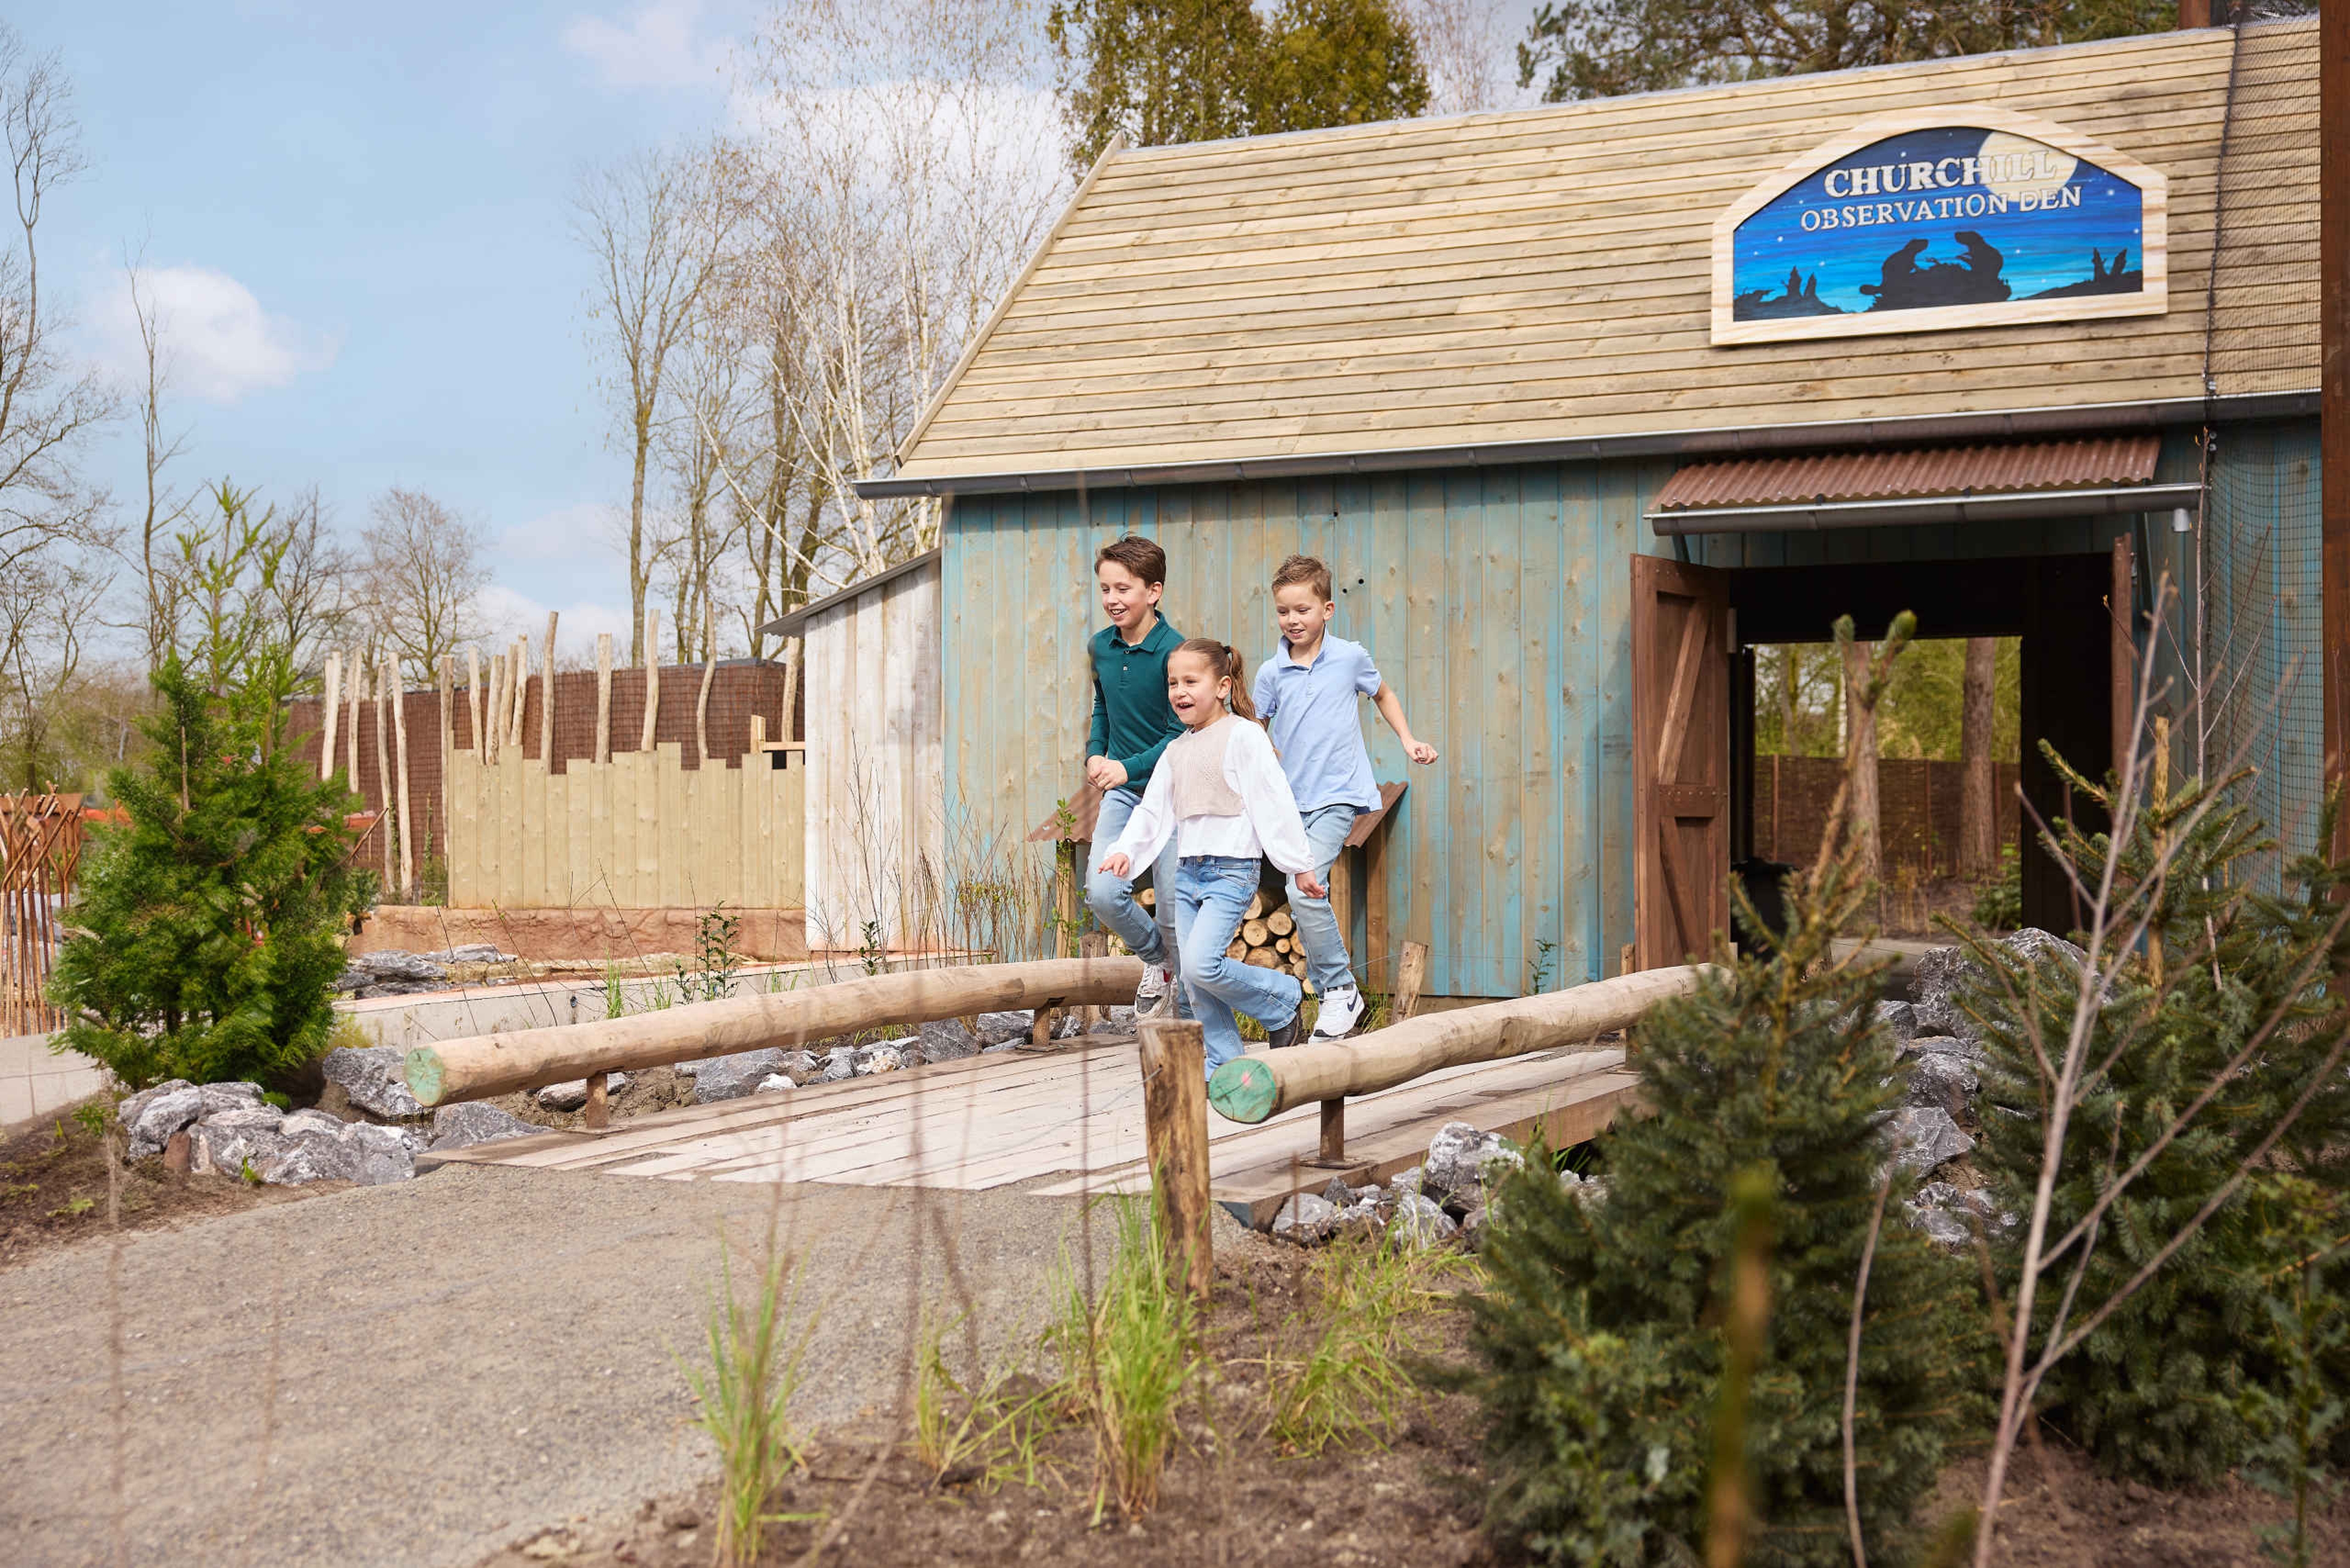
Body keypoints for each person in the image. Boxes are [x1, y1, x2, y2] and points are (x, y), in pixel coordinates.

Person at [1097, 639, 1326, 1078]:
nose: (1179, 691)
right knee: (1191, 977)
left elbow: (1275, 802)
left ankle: (1281, 997)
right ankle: (1225, 1066)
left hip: (1231, 872)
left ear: (1222, 687)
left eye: (1190, 681)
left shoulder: (1244, 736)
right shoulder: (1176, 750)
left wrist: (1300, 865)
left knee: (1202, 965)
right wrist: (1125, 850)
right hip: (1187, 873)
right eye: (1173, 683)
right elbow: (1153, 810)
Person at [1252, 554, 1439, 1040]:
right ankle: (1335, 1001)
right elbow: (1255, 729)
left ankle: (1339, 989)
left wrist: (1408, 741)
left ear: (1327, 609)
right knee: (1307, 896)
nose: (1293, 620)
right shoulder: (1271, 673)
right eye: (1283, 611)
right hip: (1291, 803)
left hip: (1338, 795)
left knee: (1303, 889)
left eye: (1303, 610)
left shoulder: (1349, 658)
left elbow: (1383, 694)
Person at [1081, 536, 1190, 1019]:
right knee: (1103, 892)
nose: (1112, 599)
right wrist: (1095, 753)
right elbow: (1103, 706)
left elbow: (1178, 735)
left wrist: (1128, 765)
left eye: (1123, 589)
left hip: (1175, 795)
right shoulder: (1100, 648)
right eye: (1105, 589)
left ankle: (1190, 1019)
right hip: (1124, 794)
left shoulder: (1177, 652)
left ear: (1154, 591)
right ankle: (1157, 960)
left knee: (1172, 908)